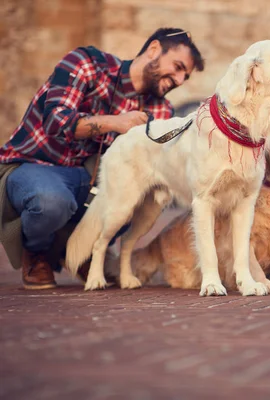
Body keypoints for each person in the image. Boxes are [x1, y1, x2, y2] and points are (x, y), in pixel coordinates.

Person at [0, 27, 205, 289]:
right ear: (153, 49)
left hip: (86, 180)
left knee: (140, 194)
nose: (178, 79)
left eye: (184, 77)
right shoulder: (87, 63)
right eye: (177, 67)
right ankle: (38, 252)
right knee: (51, 200)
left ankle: (84, 251)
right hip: (31, 165)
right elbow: (55, 121)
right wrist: (115, 123)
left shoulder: (160, 109)